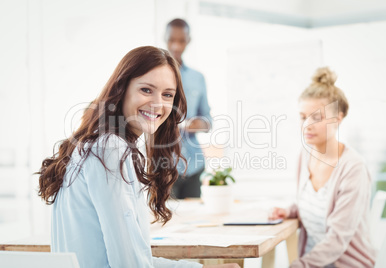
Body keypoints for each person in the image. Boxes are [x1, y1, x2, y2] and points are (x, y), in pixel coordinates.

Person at [37, 46, 239, 268]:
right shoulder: (110, 149)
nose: (158, 103)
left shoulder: (97, 144)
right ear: (122, 89)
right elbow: (128, 264)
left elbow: (135, 259)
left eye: (167, 95)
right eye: (146, 90)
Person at [269, 67, 376, 267]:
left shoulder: (353, 168)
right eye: (303, 117)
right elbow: (315, 205)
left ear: (338, 118)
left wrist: (298, 266)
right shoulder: (304, 156)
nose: (307, 125)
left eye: (316, 118)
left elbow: (337, 239)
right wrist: (290, 211)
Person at [165, 18, 212, 199]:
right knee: (166, 220)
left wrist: (200, 123)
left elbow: (208, 120)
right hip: (164, 165)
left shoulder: (197, 78)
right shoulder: (154, 75)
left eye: (182, 41)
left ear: (188, 41)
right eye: (171, 40)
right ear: (165, 38)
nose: (176, 46)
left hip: (194, 164)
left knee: (194, 220)